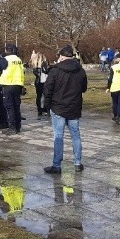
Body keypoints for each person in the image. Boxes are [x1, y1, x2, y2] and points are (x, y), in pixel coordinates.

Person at [43, 45, 88, 174]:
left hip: (58, 107)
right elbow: (84, 88)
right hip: (74, 107)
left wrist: (47, 106)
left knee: (58, 136)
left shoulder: (55, 71)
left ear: (62, 57)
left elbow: (48, 89)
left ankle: (57, 165)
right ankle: (78, 163)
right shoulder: (80, 70)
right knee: (76, 136)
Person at [0, 43, 25, 134]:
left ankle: (12, 127)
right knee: (16, 106)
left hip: (8, 85)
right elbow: (22, 72)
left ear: (9, 50)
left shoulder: (5, 60)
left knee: (9, 107)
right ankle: (18, 126)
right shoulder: (19, 60)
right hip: (18, 85)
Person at [30, 51, 49, 117]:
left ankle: (41, 110)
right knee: (44, 96)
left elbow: (36, 73)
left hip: (39, 82)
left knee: (40, 96)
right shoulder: (43, 64)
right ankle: (44, 109)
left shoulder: (36, 65)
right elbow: (46, 72)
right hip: (43, 81)